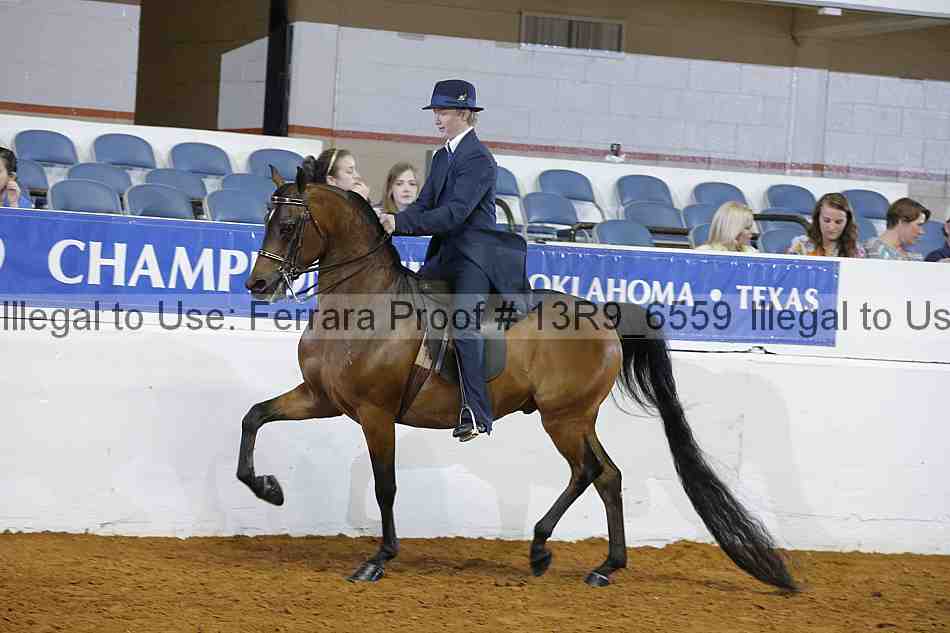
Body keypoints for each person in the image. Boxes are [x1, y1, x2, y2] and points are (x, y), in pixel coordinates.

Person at [378, 79, 529, 443]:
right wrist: (387, 221)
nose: (437, 119)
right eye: (435, 112)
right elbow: (424, 205)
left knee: (463, 324)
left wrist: (400, 224)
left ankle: (476, 412)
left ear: (464, 113)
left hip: (474, 258)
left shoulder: (479, 159)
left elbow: (454, 214)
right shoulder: (442, 156)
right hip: (445, 254)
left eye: (443, 112)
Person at [787, 192, 865, 258]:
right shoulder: (800, 245)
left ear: (847, 222)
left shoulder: (856, 251)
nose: (831, 227)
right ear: (817, 218)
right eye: (826, 221)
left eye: (838, 222)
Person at [864, 197, 930, 261]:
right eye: (919, 225)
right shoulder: (874, 246)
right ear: (902, 222)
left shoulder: (915, 256)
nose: (922, 232)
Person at [301, 148, 370, 201]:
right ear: (331, 180)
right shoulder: (321, 208)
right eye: (349, 171)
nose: (357, 176)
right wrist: (358, 202)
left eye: (355, 170)